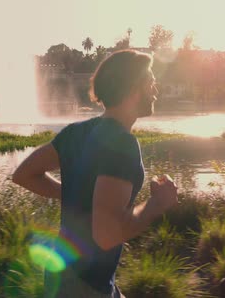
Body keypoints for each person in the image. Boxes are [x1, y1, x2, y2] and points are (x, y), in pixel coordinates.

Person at [12, 49, 178, 298]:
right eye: (151, 82)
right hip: (84, 285)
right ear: (134, 89)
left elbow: (24, 174)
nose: (155, 90)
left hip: (67, 273)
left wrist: (75, 194)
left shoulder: (75, 133)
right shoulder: (122, 144)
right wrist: (156, 204)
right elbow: (107, 235)